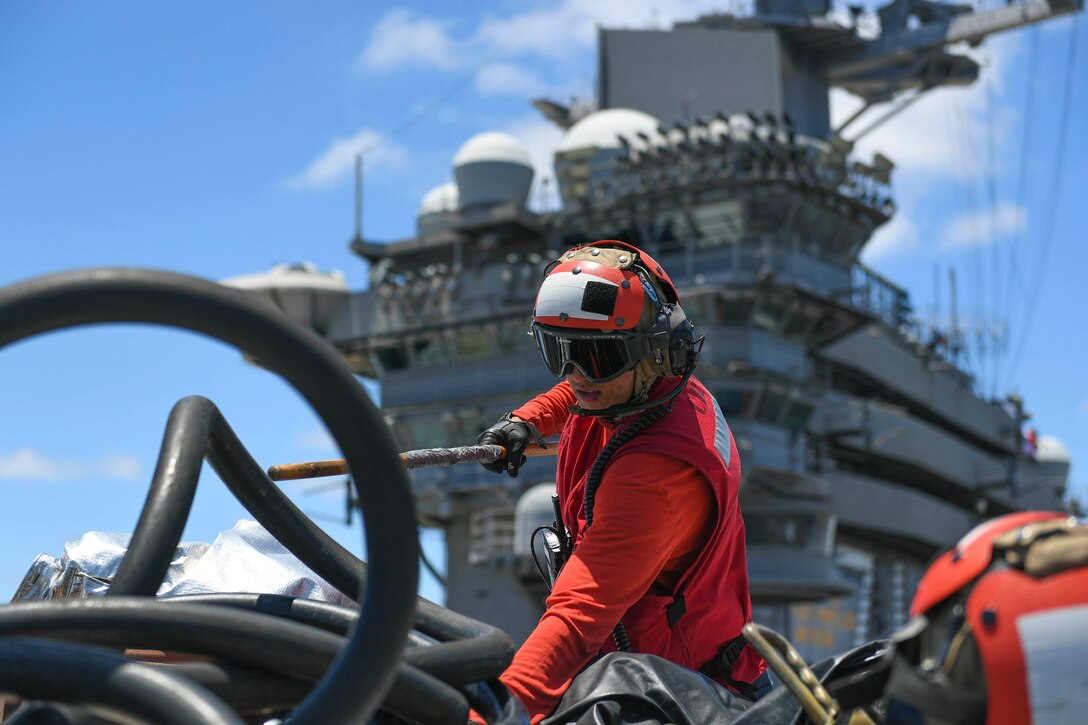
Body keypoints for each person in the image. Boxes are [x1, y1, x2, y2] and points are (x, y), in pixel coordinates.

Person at [477, 240, 770, 723]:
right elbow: (574, 386)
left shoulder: (656, 475)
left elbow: (577, 615)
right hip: (662, 673)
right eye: (558, 350)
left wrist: (496, 714)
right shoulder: (645, 390)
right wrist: (526, 422)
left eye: (598, 357)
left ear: (659, 351)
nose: (575, 376)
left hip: (691, 700)